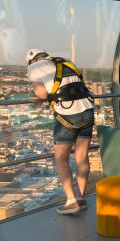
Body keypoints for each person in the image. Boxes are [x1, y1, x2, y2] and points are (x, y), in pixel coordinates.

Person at [26, 48, 94, 214]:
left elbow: (42, 94)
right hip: (87, 109)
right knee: (82, 157)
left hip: (67, 114)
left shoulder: (34, 67)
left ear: (32, 60)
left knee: (61, 159)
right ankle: (80, 197)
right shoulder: (66, 61)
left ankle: (71, 201)